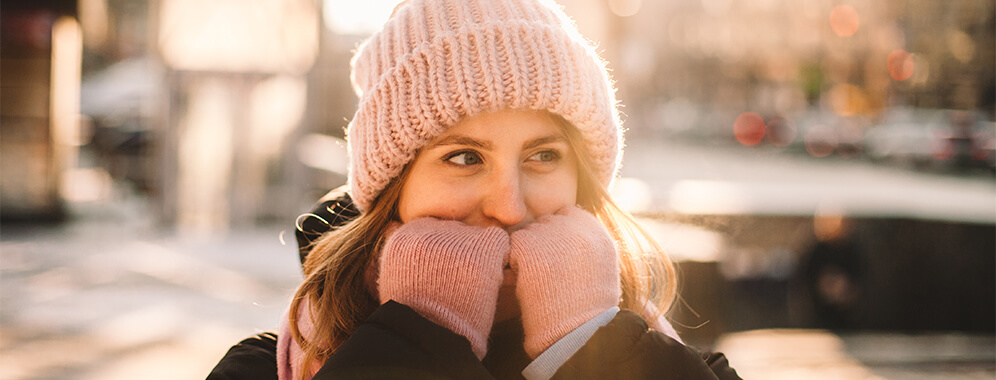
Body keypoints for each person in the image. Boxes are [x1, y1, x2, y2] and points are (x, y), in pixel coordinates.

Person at [208, 0, 741, 379]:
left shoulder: (684, 368)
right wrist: (416, 344)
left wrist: (592, 348)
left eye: (543, 156)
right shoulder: (257, 370)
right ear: (393, 187)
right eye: (464, 157)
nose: (508, 207)